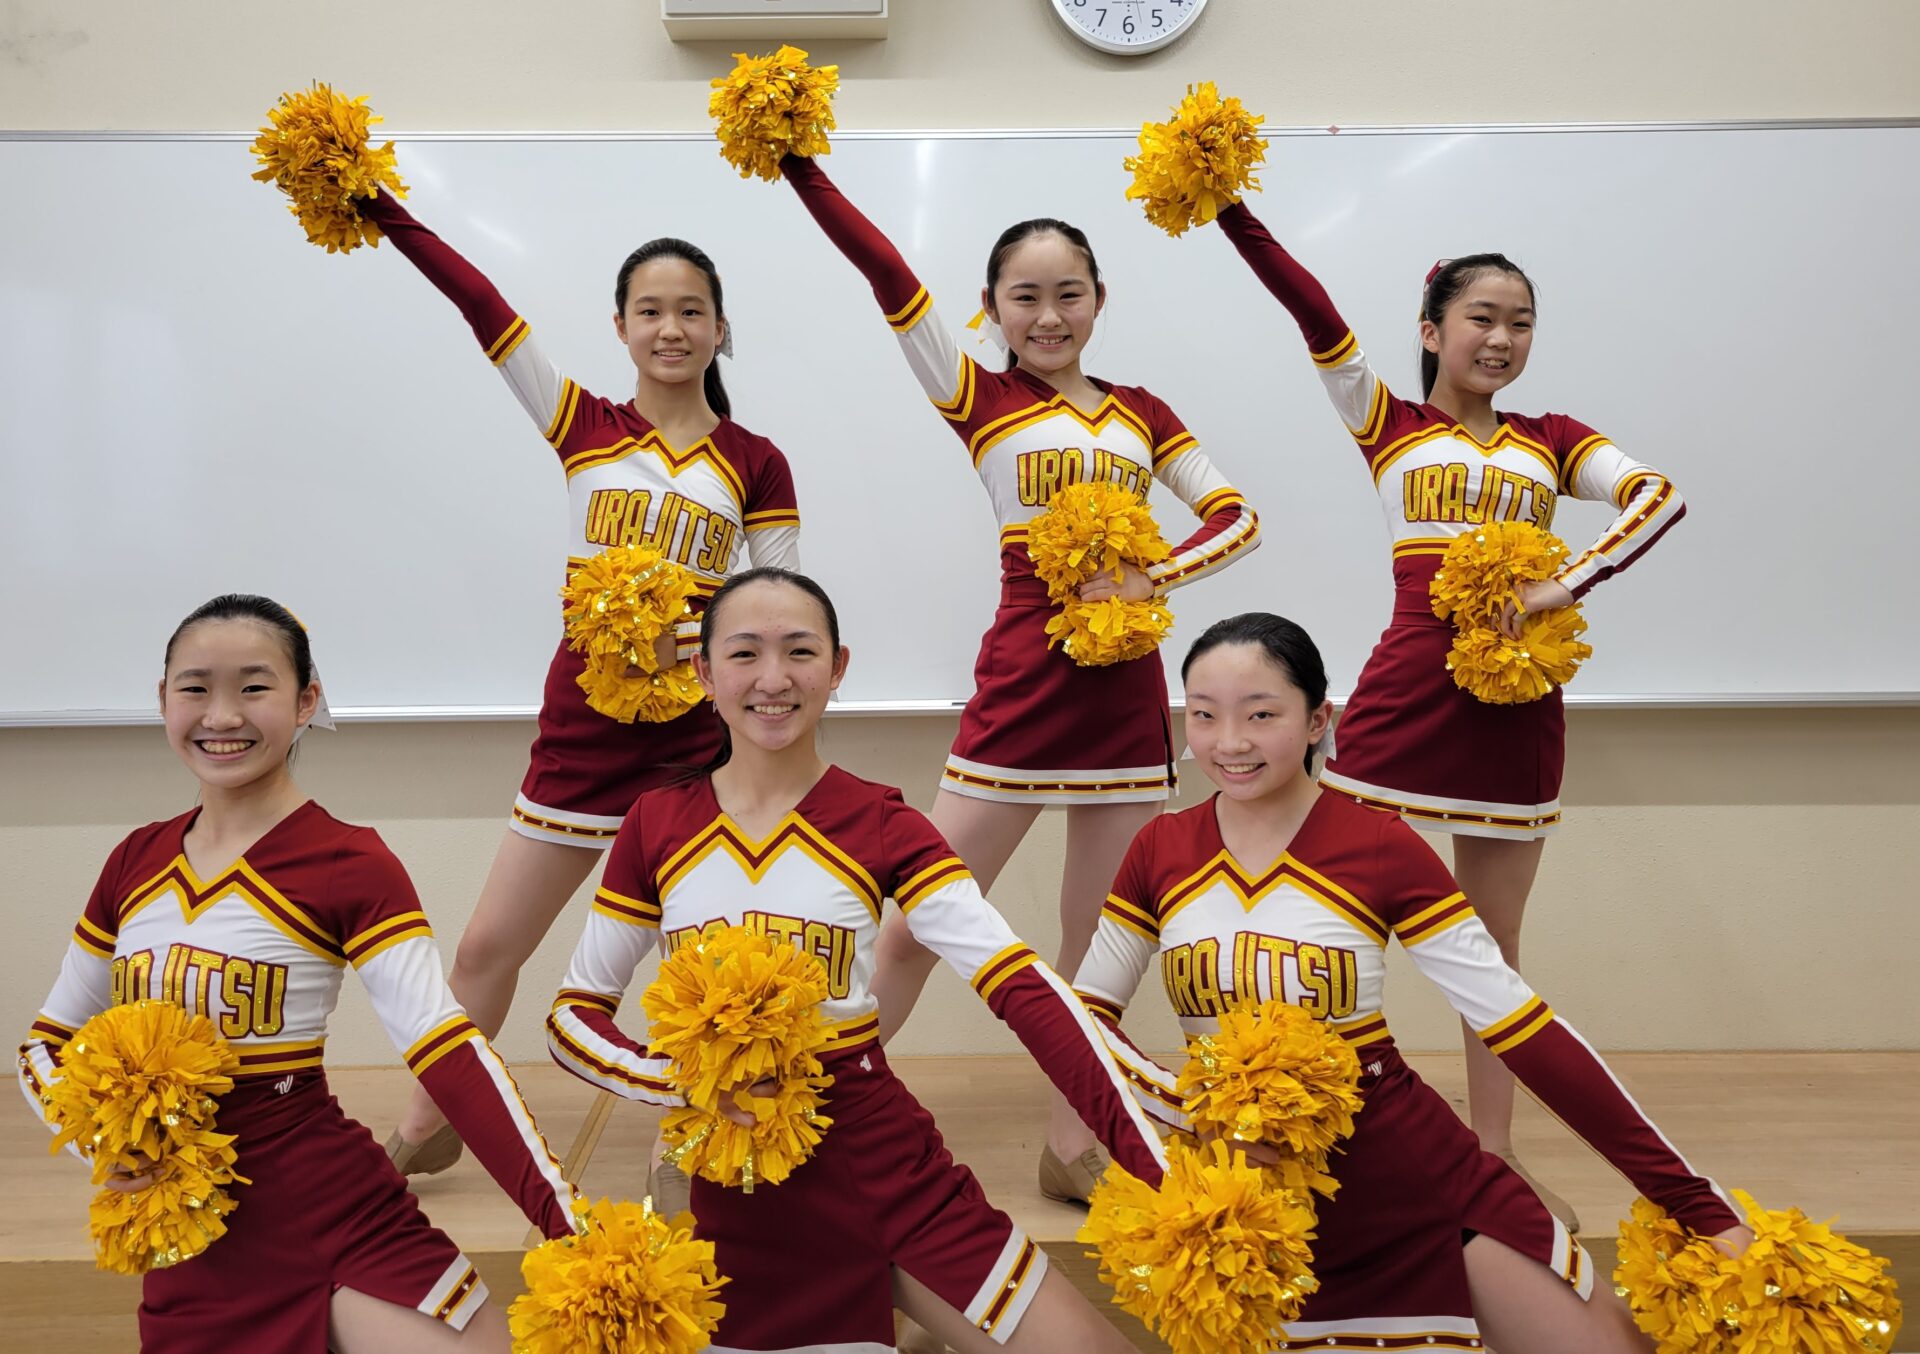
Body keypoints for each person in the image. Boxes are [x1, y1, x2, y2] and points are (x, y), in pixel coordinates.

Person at [780, 152, 1260, 1201]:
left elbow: (1238, 516)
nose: (1049, 316)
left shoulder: (1142, 411)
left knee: (1102, 940)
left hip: (1124, 701)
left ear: (1099, 300)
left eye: (1069, 294)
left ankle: (1072, 1141)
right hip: (1020, 691)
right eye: (1025, 296)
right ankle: (815, 1111)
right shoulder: (979, 396)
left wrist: (1154, 576)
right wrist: (800, 165)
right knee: (914, 922)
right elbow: (887, 276)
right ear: (992, 307)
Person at [1070, 612, 1750, 1351]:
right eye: (1204, 716)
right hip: (1239, 1215)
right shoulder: (1160, 848)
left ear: (1318, 720)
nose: (1229, 743)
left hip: (1407, 1173)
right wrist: (1186, 1112)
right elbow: (1082, 1026)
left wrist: (1693, 1201)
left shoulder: (1380, 845)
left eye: (1261, 714)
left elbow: (1522, 1030)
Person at [1208, 202, 1688, 1227]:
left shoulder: (1554, 443)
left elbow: (1658, 496)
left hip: (1518, 713)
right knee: (1320, 916)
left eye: (1521, 321)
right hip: (1402, 703)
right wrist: (1231, 211)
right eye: (1481, 317)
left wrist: (1565, 584)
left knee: (1492, 949)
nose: (1502, 338)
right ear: (1432, 329)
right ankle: (1292, 1126)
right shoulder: (1388, 423)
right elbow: (1311, 310)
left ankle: (1493, 1155)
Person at [545, 567, 1171, 1353]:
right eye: (744, 653)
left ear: (838, 668)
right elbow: (573, 1015)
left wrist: (1160, 1168)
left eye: (800, 651)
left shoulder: (883, 822)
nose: (774, 678)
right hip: (732, 1187)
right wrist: (684, 1081)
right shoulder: (656, 824)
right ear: (703, 673)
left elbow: (1023, 988)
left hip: (886, 1170)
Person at [324, 189, 802, 1177]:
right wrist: (382, 207)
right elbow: (483, 306)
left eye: (692, 311)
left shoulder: (755, 462)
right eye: (650, 311)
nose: (671, 329)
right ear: (620, 326)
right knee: (485, 949)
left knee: (700, 970)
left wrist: (694, 641)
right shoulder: (582, 421)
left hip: (694, 748)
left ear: (721, 328)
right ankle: (424, 1127)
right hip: (579, 736)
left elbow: (779, 607)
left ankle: (697, 1144)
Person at [17, 594, 580, 1352]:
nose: (222, 716)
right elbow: (45, 1044)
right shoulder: (134, 860)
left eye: (254, 687)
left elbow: (446, 1049)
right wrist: (106, 1141)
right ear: (163, 700)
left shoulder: (350, 860)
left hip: (331, 1208)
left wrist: (564, 1218)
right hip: (193, 1231)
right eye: (195, 688)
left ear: (306, 700)